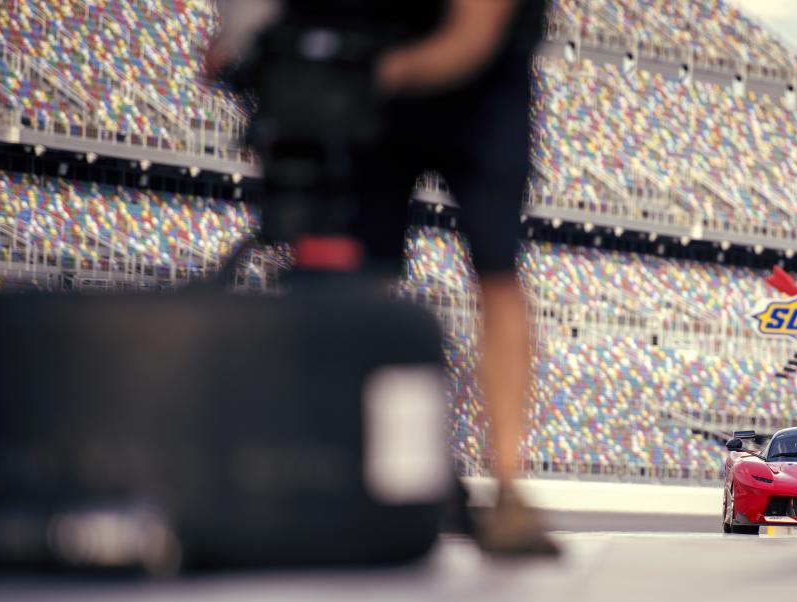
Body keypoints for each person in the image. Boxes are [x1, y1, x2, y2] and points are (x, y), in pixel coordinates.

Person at [207, 0, 557, 556]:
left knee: (496, 271)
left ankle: (510, 489)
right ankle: (345, 466)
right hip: (377, 64)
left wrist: (360, 74)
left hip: (480, 87)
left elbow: (471, 39)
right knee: (356, 272)